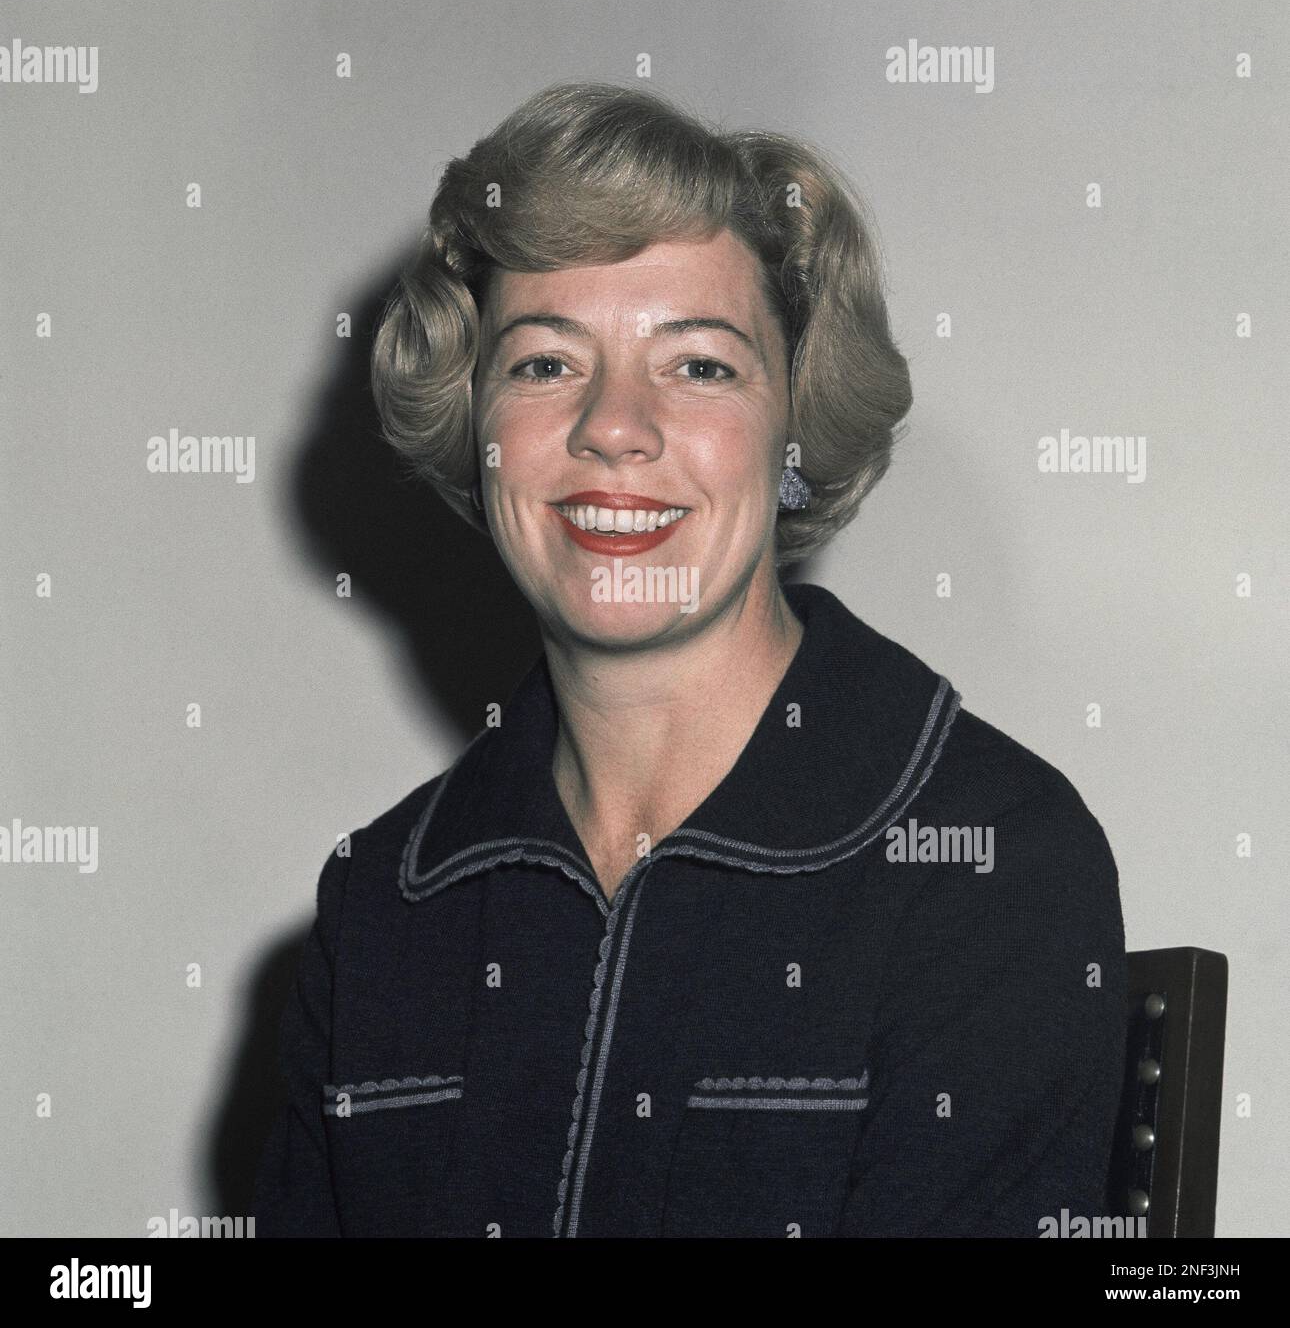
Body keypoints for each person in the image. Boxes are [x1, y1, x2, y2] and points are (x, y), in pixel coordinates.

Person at [252, 82, 1127, 1237]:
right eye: (544, 364)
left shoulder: (986, 860)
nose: (615, 426)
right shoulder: (379, 898)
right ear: (480, 439)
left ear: (796, 429)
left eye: (700, 365)